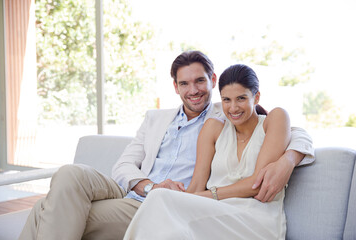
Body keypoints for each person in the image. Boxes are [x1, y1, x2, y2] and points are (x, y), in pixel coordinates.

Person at [19, 51, 314, 240]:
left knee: (45, 209)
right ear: (175, 86)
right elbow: (122, 166)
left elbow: (293, 131)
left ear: (212, 81)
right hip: (138, 193)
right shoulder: (156, 118)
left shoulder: (221, 116)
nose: (193, 90)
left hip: (175, 204)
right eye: (184, 84)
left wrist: (289, 158)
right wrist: (149, 186)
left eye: (200, 81)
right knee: (68, 175)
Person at [123, 63, 293, 239]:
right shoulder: (213, 127)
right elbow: (196, 186)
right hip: (212, 213)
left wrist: (208, 195)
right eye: (226, 100)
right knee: (163, 209)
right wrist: (179, 201)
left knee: (160, 198)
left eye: (241, 98)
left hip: (254, 218)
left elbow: (255, 184)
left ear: (256, 97)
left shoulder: (275, 119)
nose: (233, 108)